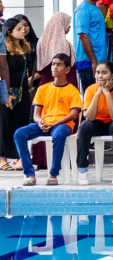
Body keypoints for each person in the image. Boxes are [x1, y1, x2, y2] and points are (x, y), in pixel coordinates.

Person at [14, 54, 80, 186]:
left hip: (63, 125)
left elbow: (73, 115)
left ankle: (53, 174)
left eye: (59, 64)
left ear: (67, 69)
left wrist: (54, 123)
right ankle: (29, 174)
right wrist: (40, 122)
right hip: (44, 124)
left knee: (59, 134)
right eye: (53, 64)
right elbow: (36, 114)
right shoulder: (43, 88)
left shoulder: (72, 90)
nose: (54, 67)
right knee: (19, 134)